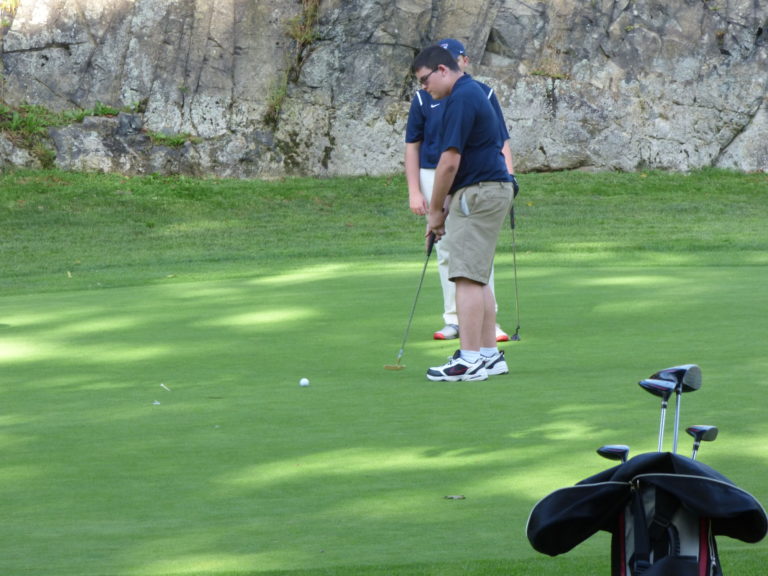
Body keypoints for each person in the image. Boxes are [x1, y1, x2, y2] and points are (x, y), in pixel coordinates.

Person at [411, 45, 515, 382]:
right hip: (492, 189)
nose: (425, 87)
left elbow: (449, 162)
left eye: (425, 80)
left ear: (442, 69)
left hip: (478, 191)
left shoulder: (459, 98)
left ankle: (469, 359)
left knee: (466, 276)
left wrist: (436, 211)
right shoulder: (474, 93)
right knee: (478, 274)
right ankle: (488, 354)